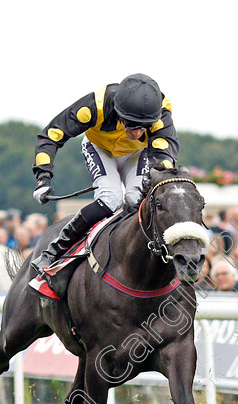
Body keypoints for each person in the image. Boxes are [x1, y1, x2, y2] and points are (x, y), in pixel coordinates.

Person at [29, 73, 178, 276]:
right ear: (118, 112)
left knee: (137, 199)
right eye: (131, 125)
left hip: (138, 152)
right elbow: (51, 135)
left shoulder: (161, 112)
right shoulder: (94, 106)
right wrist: (43, 178)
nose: (136, 133)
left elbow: (164, 159)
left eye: (142, 127)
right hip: (99, 148)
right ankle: (55, 250)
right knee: (110, 198)